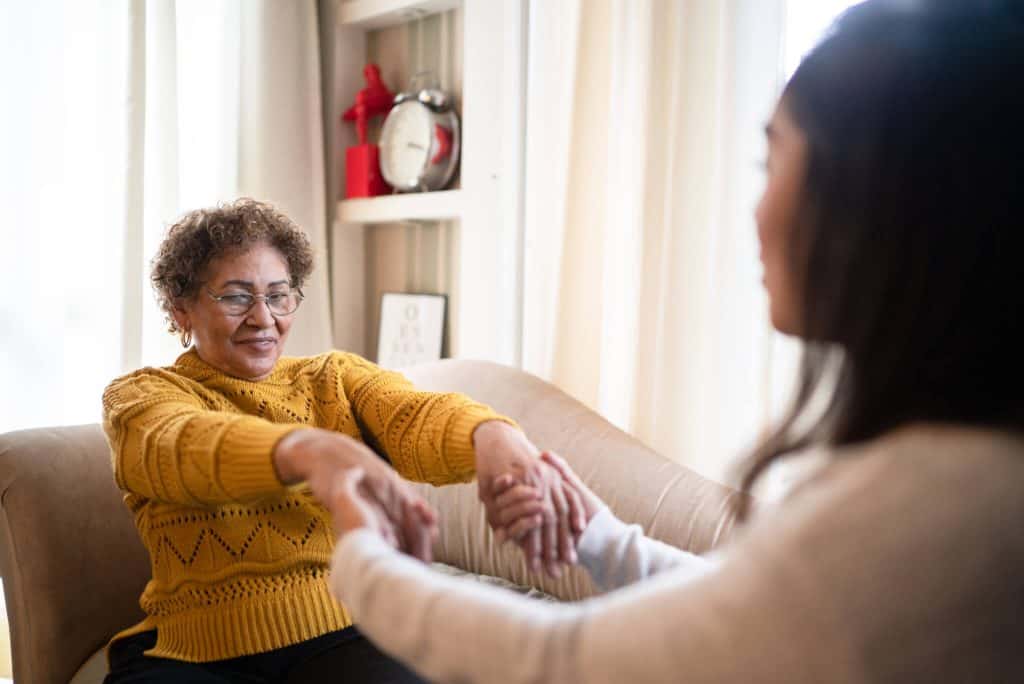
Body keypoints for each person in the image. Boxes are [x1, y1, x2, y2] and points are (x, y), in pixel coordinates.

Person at [325, 1, 1024, 681]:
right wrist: (599, 540)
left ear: (880, 205)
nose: (756, 209)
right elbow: (761, 609)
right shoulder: (971, 471)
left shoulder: (929, 509)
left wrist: (361, 550)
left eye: (773, 164)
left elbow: (559, 660)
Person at [101, 198, 584, 683]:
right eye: (235, 297)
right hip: (190, 652)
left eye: (278, 295)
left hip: (344, 631)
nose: (263, 318)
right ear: (180, 309)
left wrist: (491, 435)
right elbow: (186, 448)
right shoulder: (142, 397)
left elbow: (415, 416)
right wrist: (307, 452)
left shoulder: (333, 378)